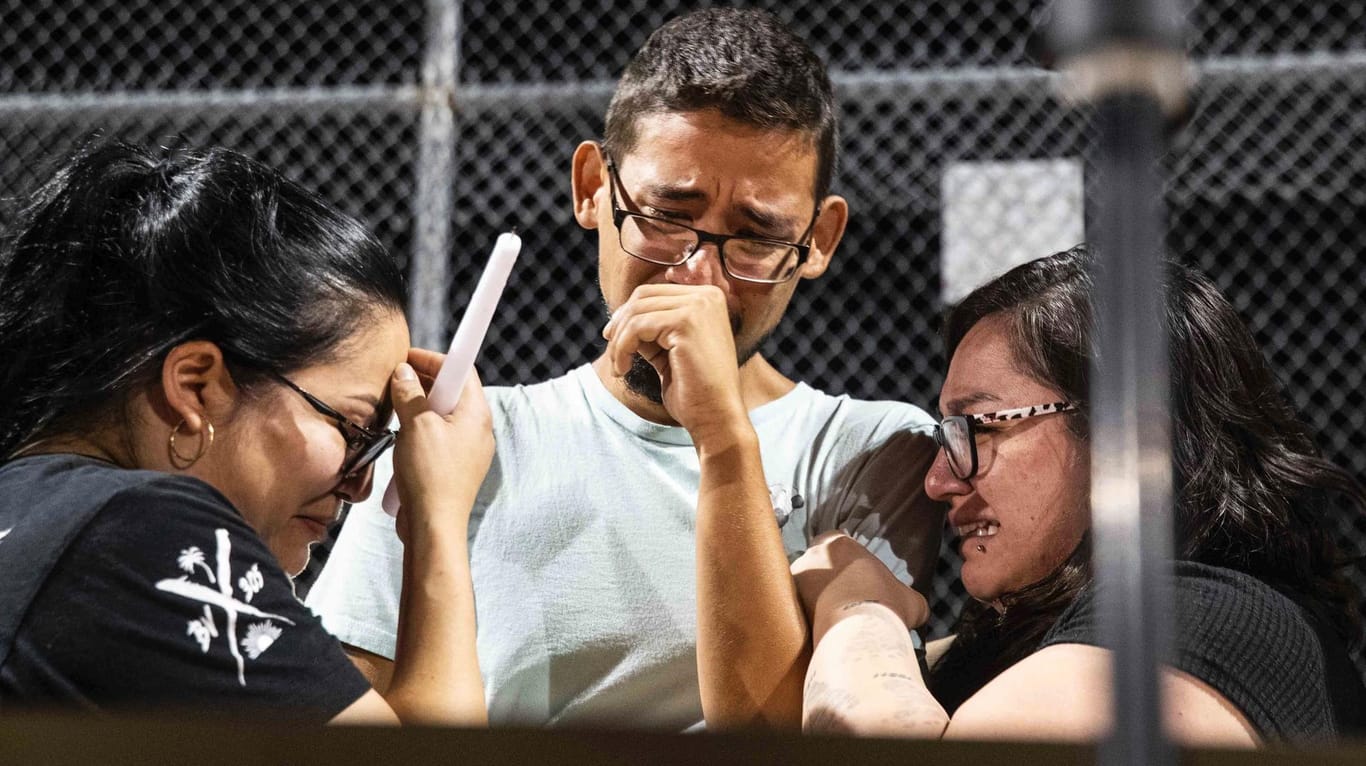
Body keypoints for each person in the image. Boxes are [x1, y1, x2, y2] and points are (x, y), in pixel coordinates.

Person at [308, 7, 943, 730]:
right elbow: (354, 723)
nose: (701, 279)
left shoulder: (871, 450)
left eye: (758, 237)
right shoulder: (463, 440)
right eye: (669, 215)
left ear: (820, 238)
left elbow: (772, 736)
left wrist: (723, 440)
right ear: (592, 189)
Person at [0, 142, 492, 725]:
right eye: (354, 427)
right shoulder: (141, 530)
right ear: (198, 386)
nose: (361, 485)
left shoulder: (33, 506)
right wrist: (439, 518)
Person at [794, 246, 1366, 744]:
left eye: (981, 428)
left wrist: (856, 609)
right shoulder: (1042, 635)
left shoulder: (1207, 618)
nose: (939, 480)